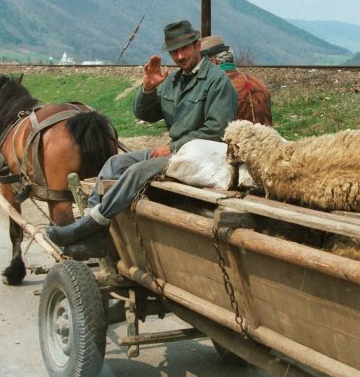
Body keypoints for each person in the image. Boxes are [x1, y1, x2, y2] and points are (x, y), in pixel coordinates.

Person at [45, 20, 238, 258]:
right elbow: (144, 114)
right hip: (176, 154)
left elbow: (217, 130)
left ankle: (87, 227)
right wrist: (147, 88)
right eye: (174, 52)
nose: (179, 56)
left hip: (202, 159)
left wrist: (173, 146)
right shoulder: (175, 81)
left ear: (197, 46)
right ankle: (93, 231)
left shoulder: (217, 81)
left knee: (136, 172)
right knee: (114, 163)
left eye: (184, 49)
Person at [200, 35, 273, 125]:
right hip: (265, 133)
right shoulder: (258, 82)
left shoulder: (218, 86)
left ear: (213, 62)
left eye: (201, 63)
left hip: (237, 133)